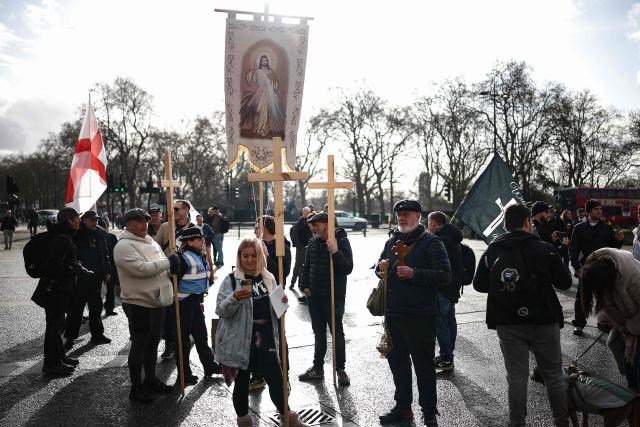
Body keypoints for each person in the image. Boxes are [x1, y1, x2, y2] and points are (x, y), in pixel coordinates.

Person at [473, 204, 572, 427]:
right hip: (543, 318)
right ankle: (561, 421)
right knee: (553, 374)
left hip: (507, 320)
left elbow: (479, 285)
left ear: (506, 225)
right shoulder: (544, 248)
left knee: (516, 376)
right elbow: (565, 282)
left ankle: (516, 422)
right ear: (528, 222)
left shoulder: (494, 249)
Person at [214, 237, 309, 427]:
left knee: (276, 380)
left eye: (253, 255)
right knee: (241, 385)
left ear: (259, 256)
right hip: (240, 342)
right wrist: (234, 298)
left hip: (266, 340)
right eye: (245, 255)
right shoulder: (232, 280)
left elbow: (279, 311)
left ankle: (288, 418)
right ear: (239, 257)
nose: (249, 260)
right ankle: (244, 422)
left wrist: (283, 303)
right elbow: (221, 310)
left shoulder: (268, 277)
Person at [376, 200, 451, 426]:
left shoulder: (432, 242)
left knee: (424, 367)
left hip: (420, 316)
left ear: (418, 216)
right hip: (394, 315)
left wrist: (415, 273)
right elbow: (378, 270)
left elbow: (445, 275)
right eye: (399, 214)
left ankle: (429, 412)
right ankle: (403, 409)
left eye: (406, 214)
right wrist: (380, 269)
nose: (401, 217)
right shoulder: (391, 241)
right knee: (398, 365)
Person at [114, 208, 178, 403]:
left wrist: (174, 268)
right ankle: (136, 386)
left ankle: (150, 380)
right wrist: (168, 263)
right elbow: (141, 269)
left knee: (153, 344)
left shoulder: (150, 241)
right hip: (139, 303)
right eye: (139, 221)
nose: (144, 225)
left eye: (146, 221)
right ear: (128, 224)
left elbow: (160, 268)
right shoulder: (124, 246)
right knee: (140, 345)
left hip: (158, 301)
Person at [30, 207, 90, 375]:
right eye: (76, 218)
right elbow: (54, 265)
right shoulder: (62, 239)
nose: (79, 221)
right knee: (54, 327)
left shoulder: (64, 236)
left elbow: (66, 261)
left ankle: (60, 357)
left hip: (57, 289)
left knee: (57, 326)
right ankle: (51, 364)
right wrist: (73, 271)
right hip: (55, 290)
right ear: (68, 221)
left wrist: (78, 267)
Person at [298, 212, 353, 387]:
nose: (313, 228)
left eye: (316, 225)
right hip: (315, 296)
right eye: (311, 225)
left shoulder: (341, 241)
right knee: (319, 333)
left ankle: (340, 369)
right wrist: (303, 284)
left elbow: (347, 268)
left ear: (326, 225)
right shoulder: (313, 242)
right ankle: (318, 367)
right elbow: (306, 266)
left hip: (333, 296)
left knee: (337, 333)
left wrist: (335, 252)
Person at [580, 248, 640, 390]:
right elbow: (608, 302)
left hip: (636, 325)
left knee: (637, 364)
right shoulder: (595, 271)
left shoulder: (633, 275)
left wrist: (630, 327)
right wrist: (610, 319)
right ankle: (634, 399)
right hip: (628, 328)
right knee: (629, 366)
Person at [167, 226, 219, 384]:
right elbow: (171, 282)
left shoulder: (200, 255)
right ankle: (184, 373)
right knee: (183, 340)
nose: (202, 241)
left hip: (195, 301)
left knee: (201, 336)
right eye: (199, 239)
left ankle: (209, 366)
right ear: (189, 241)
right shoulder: (181, 258)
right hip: (182, 304)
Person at [569, 199, 624, 336]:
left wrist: (619, 241)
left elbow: (613, 249)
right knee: (581, 298)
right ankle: (579, 324)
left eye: (600, 209)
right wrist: (577, 267)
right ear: (588, 212)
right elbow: (573, 250)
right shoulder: (579, 228)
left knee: (605, 297)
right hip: (586, 268)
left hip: (603, 268)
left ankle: (604, 322)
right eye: (596, 209)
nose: (600, 211)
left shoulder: (606, 228)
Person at [250, 215, 292, 390]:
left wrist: (267, 256)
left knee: (278, 336)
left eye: (258, 225)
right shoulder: (254, 243)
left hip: (275, 294)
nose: (255, 228)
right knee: (256, 335)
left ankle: (284, 375)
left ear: (267, 227)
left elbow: (282, 273)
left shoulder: (282, 245)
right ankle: (258, 375)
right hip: (256, 294)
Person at [64, 210, 111, 349]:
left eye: (96, 219)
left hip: (96, 277)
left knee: (96, 308)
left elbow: (105, 254)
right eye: (91, 220)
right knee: (76, 310)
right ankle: (70, 338)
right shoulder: (76, 233)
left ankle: (97, 335)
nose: (94, 222)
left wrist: (107, 271)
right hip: (80, 277)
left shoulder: (100, 234)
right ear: (84, 220)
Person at [155, 199, 195, 359]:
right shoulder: (166, 227)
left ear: (186, 209)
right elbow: (155, 247)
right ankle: (170, 342)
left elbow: (202, 252)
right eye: (172, 209)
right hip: (168, 276)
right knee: (169, 312)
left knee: (186, 312)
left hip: (188, 277)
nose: (173, 212)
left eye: (177, 209)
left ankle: (184, 342)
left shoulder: (194, 228)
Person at [426, 211, 463, 373]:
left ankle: (446, 357)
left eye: (429, 224)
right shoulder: (453, 238)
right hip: (453, 287)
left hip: (442, 288)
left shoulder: (439, 240)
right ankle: (448, 355)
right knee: (449, 321)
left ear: (433, 224)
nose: (428, 227)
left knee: (440, 324)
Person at [240, 54, 285, 139]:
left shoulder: (270, 71)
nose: (264, 62)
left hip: (268, 93)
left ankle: (264, 130)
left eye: (266, 60)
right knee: (259, 110)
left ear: (267, 61)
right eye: (263, 60)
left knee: (266, 111)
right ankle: (258, 128)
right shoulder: (257, 70)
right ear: (260, 61)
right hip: (260, 92)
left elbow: (275, 83)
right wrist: (253, 71)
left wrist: (273, 80)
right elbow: (249, 78)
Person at [289, 207, 314, 290]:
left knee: (306, 266)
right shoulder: (299, 223)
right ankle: (292, 283)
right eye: (306, 212)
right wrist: (299, 246)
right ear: (303, 212)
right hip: (301, 248)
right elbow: (294, 235)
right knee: (298, 266)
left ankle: (301, 283)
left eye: (309, 212)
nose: (308, 213)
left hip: (309, 247)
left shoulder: (310, 222)